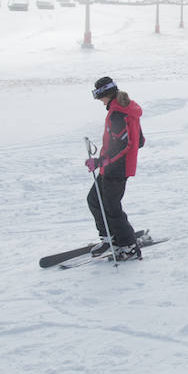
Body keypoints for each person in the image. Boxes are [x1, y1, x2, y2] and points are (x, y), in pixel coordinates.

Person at [85, 76, 144, 261]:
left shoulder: (118, 113)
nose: (99, 100)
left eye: (98, 95)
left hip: (116, 169)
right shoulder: (124, 109)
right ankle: (110, 237)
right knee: (94, 200)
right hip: (111, 167)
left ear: (105, 94)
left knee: (111, 208)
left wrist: (100, 161)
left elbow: (122, 145)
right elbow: (139, 141)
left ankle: (129, 247)